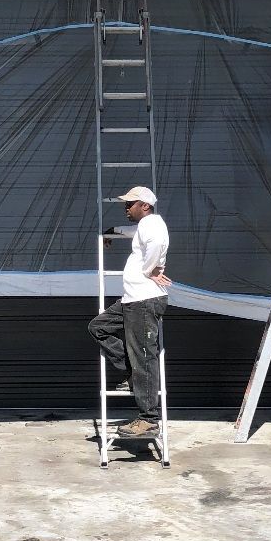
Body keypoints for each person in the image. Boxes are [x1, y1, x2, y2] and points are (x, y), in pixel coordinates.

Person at [88, 185, 170, 437]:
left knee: (144, 355)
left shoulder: (152, 224)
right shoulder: (144, 225)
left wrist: (150, 269)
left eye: (130, 203)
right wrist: (112, 231)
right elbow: (133, 233)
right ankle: (131, 372)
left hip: (144, 300)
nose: (126, 207)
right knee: (98, 327)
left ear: (144, 205)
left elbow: (157, 242)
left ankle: (148, 419)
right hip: (131, 300)